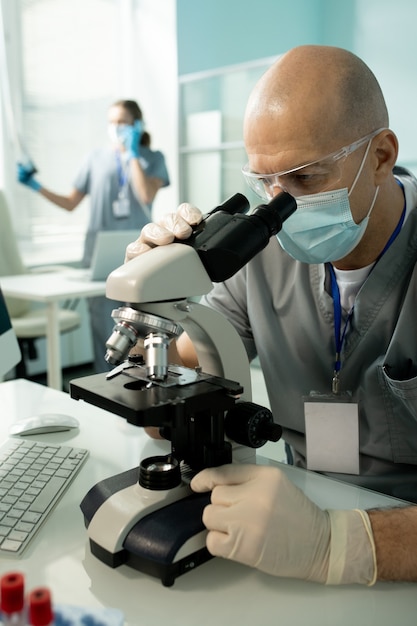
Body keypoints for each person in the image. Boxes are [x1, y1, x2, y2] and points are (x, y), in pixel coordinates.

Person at [126, 45, 417, 585]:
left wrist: (337, 544)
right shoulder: (260, 254)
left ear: (380, 156)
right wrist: (158, 307)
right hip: (288, 514)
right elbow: (171, 386)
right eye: (265, 181)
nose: (279, 206)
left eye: (305, 178)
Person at [17, 99, 170, 372]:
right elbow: (70, 203)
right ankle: (106, 389)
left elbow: (146, 194)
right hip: (98, 255)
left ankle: (142, 386)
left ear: (137, 125)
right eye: (112, 122)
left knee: (141, 326)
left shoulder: (153, 158)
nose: (115, 127)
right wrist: (35, 186)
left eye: (122, 122)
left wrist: (133, 153)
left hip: (139, 254)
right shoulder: (95, 159)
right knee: (103, 329)